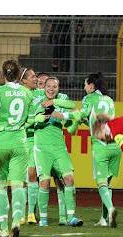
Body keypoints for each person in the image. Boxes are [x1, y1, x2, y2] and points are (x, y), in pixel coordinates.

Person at [0, 60, 33, 237]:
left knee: (0, 185)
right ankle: (17, 221)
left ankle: (3, 228)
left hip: (0, 142)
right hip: (19, 143)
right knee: (18, 184)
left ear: (3, 74)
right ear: (19, 75)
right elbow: (30, 119)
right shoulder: (27, 93)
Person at [66, 73, 121, 227]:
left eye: (85, 84)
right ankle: (104, 219)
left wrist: (68, 116)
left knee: (101, 183)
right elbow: (96, 120)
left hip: (100, 145)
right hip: (114, 144)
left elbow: (82, 114)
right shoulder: (109, 100)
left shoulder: (88, 99)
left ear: (91, 86)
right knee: (107, 184)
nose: (84, 88)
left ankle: (110, 210)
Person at [30, 77, 83, 227]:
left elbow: (72, 106)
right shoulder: (36, 98)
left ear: (58, 88)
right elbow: (29, 118)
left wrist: (55, 105)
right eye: (49, 86)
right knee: (45, 182)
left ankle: (71, 216)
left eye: (55, 86)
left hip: (59, 147)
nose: (51, 89)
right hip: (42, 148)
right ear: (44, 87)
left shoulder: (62, 99)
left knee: (69, 179)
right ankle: (44, 219)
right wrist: (38, 118)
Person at [19, 67, 43, 224]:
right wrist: (34, 120)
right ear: (24, 81)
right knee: (21, 179)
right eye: (33, 76)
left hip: (38, 139)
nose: (36, 79)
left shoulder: (40, 93)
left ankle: (31, 213)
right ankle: (20, 213)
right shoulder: (20, 95)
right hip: (23, 140)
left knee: (33, 175)